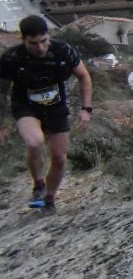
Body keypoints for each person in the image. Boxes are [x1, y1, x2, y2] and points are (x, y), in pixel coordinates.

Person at [1, 14, 93, 213]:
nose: (40, 48)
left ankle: (49, 199)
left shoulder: (63, 51)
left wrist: (86, 109)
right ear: (23, 39)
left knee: (59, 157)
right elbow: (1, 91)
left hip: (56, 106)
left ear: (48, 36)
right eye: (33, 43)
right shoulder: (12, 58)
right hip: (25, 106)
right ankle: (39, 185)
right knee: (34, 142)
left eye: (44, 41)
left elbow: (84, 77)